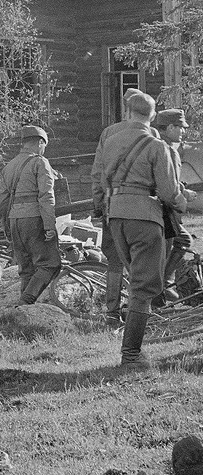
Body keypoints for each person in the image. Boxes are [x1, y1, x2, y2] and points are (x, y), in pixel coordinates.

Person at [95, 90, 188, 368]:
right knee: (143, 286)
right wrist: (183, 202)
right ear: (153, 115)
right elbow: (169, 191)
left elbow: (99, 178)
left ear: (129, 112)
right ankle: (132, 355)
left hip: (116, 217)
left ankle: (129, 344)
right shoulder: (156, 145)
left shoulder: (109, 140)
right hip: (144, 218)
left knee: (135, 278)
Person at [93, 89, 141, 326]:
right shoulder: (149, 133)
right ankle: (138, 310)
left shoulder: (108, 133)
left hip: (111, 205)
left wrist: (98, 203)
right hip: (142, 208)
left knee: (114, 259)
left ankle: (112, 311)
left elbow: (97, 172)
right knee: (140, 259)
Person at [0, 125, 61, 305]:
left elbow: (2, 202)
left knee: (26, 269)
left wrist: (7, 227)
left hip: (14, 220)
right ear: (40, 143)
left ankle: (22, 312)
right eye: (44, 146)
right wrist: (49, 226)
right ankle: (26, 301)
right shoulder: (40, 163)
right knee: (50, 264)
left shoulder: (8, 167)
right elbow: (46, 196)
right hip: (34, 219)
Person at [155, 108, 195, 303]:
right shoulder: (165, 148)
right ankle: (163, 283)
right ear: (169, 127)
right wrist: (184, 194)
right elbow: (166, 182)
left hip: (164, 206)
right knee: (183, 241)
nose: (183, 132)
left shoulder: (163, 146)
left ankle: (163, 284)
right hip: (163, 208)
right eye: (179, 127)